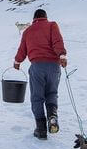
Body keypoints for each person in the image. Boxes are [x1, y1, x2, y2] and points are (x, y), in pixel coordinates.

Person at [13, 9, 67, 140]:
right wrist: (62, 55)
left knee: (37, 97)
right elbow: (57, 41)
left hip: (37, 67)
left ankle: (41, 129)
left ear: (34, 19)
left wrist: (17, 61)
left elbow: (22, 50)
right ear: (45, 17)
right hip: (53, 67)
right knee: (52, 93)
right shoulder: (52, 25)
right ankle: (52, 117)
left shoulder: (27, 31)